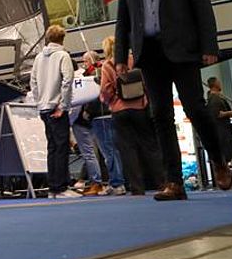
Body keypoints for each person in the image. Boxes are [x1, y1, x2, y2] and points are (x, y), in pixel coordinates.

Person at [114, 0, 232, 201]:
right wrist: (120, 57)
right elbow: (123, 20)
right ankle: (174, 182)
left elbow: (202, 7)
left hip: (182, 50)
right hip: (149, 53)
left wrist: (209, 46)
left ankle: (218, 159)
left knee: (195, 108)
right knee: (161, 116)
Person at [98, 36, 163, 196]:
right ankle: (162, 182)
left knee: (128, 149)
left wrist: (108, 99)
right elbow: (146, 82)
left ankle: (137, 187)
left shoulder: (108, 65)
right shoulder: (134, 59)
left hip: (119, 111)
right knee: (150, 146)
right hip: (139, 107)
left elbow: (105, 90)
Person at [31, 24, 78, 199]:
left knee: (52, 147)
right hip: (56, 108)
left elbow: (33, 83)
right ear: (62, 39)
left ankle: (53, 188)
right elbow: (67, 81)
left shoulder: (38, 58)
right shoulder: (63, 56)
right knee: (61, 147)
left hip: (44, 107)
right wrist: (63, 105)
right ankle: (61, 188)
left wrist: (40, 102)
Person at [83, 50, 125, 195]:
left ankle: (117, 183)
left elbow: (97, 94)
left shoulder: (97, 73)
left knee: (109, 151)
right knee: (111, 151)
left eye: (86, 61)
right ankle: (117, 181)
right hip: (105, 115)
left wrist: (88, 111)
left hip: (101, 116)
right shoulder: (96, 73)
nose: (84, 64)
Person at [69, 53, 105, 196]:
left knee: (90, 153)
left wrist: (71, 120)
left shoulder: (83, 77)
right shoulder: (87, 75)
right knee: (103, 152)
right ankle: (103, 182)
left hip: (83, 120)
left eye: (86, 61)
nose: (84, 63)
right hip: (91, 118)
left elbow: (78, 101)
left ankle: (97, 182)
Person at [206, 77, 232, 172]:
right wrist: (230, 113)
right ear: (215, 84)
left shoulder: (215, 97)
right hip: (221, 131)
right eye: (219, 82)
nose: (220, 84)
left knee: (227, 153)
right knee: (225, 153)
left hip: (222, 129)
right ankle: (224, 172)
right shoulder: (214, 99)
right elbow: (217, 114)